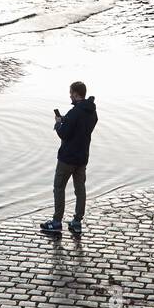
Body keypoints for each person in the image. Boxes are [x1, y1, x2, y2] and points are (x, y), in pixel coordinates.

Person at [40, 82, 98, 236]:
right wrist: (67, 119)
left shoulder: (75, 112)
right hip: (82, 157)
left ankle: (57, 222)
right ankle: (77, 222)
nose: (70, 95)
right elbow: (82, 126)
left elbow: (64, 134)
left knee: (59, 187)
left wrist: (59, 123)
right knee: (80, 189)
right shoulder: (92, 112)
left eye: (71, 93)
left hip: (67, 158)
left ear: (76, 94)